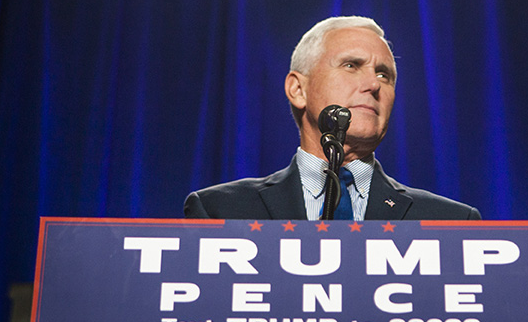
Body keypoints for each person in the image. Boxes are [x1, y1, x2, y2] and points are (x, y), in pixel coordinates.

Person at [184, 16, 481, 221]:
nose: (374, 84)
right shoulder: (220, 211)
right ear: (298, 89)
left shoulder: (450, 223)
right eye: (351, 65)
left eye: (384, 74)